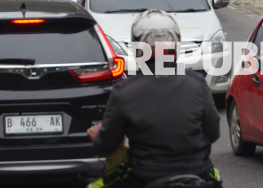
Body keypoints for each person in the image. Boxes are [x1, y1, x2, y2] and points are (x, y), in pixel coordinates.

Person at [86, 10, 222, 188]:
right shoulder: (198, 83)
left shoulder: (123, 91)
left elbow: (105, 146)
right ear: (175, 44)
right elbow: (213, 133)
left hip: (142, 179)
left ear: (138, 47)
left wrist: (98, 137)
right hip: (198, 175)